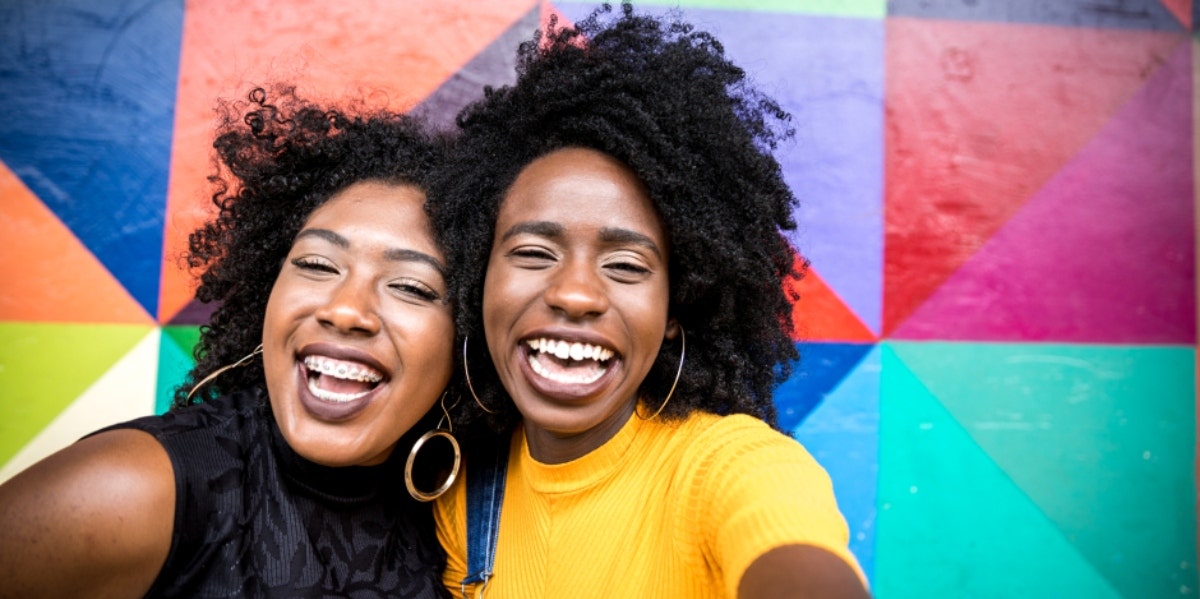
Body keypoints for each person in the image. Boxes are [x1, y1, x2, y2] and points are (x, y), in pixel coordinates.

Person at [429, 4, 870, 598]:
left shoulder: (728, 467)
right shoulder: (465, 495)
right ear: (478, 279)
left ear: (674, 310)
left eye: (626, 266)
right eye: (534, 253)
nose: (575, 294)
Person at [0, 88, 458, 598]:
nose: (345, 309)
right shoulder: (130, 488)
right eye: (316, 265)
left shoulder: (465, 511)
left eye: (411, 287)